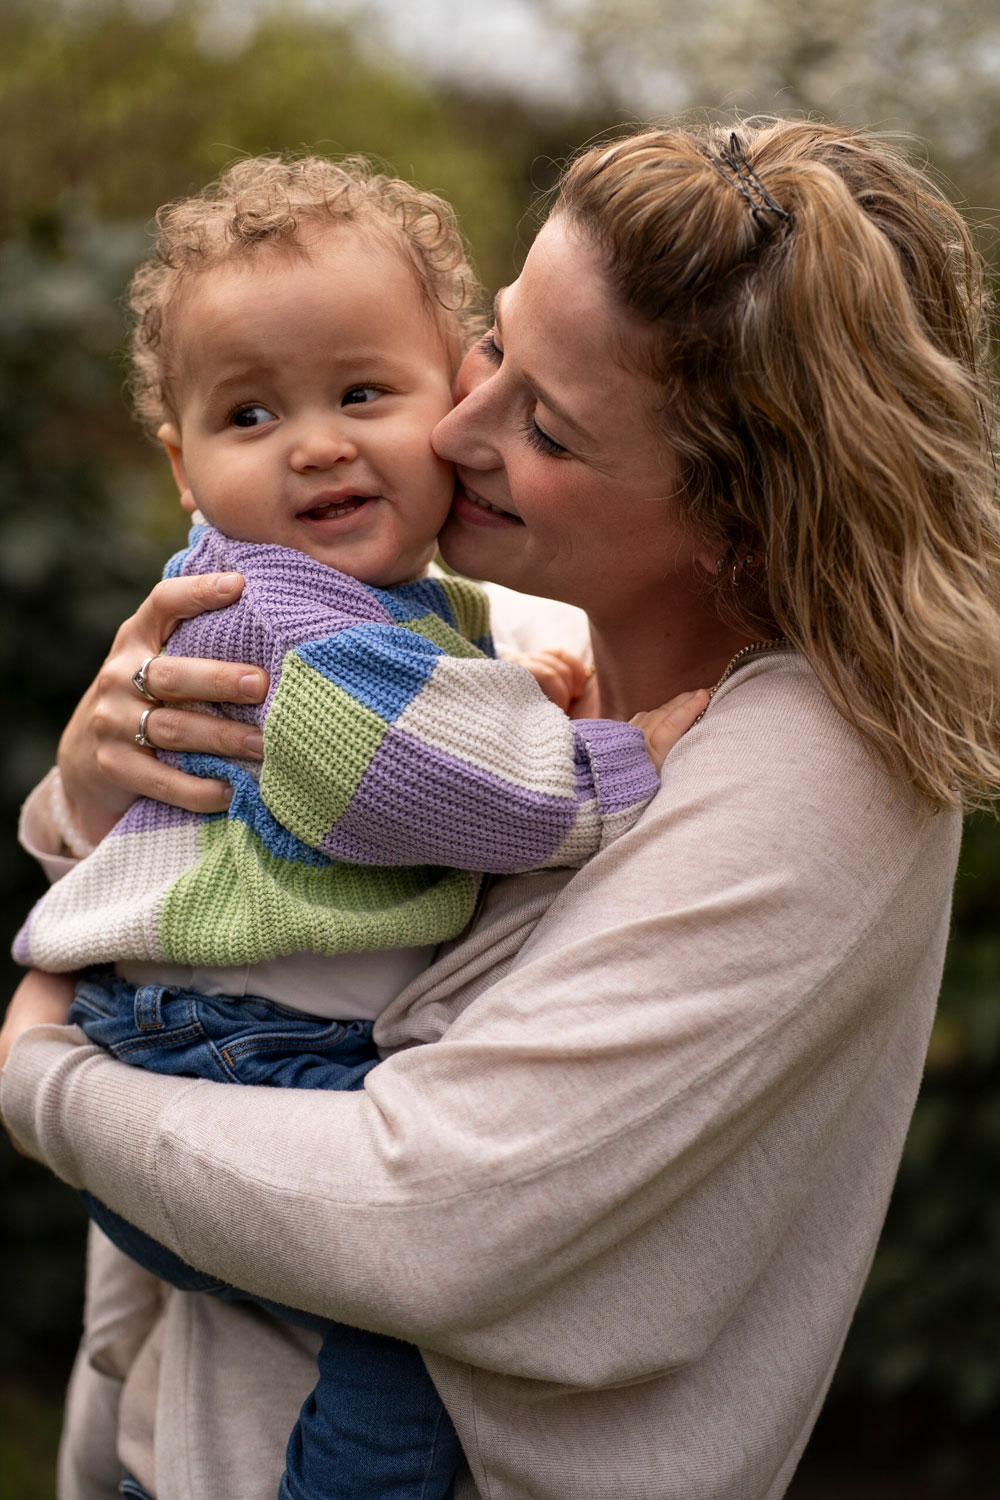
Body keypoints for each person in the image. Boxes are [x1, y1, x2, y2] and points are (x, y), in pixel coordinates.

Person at [4, 116, 1000, 1500]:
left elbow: (431, 1215)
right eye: (495, 346)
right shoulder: (501, 629)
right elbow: (252, 877)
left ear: (740, 517)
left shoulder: (818, 772)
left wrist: (45, 1082)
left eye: (545, 424)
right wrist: (93, 788)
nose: (455, 427)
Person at [10, 154, 702, 1500]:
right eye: (251, 413)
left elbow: (410, 705)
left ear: (455, 400)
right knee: (420, 1321)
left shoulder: (380, 604)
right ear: (184, 466)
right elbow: (417, 778)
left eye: (363, 393)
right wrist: (618, 761)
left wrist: (511, 689)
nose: (317, 443)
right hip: (241, 1053)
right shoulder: (278, 606)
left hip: (213, 1032)